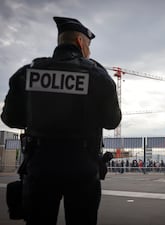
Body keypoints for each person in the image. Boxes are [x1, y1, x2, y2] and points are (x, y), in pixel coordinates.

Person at [1, 17, 121, 225]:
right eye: (88, 46)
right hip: (83, 168)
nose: (89, 52)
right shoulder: (97, 76)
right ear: (80, 43)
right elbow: (112, 121)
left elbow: (10, 119)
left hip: (39, 167)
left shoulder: (28, 73)